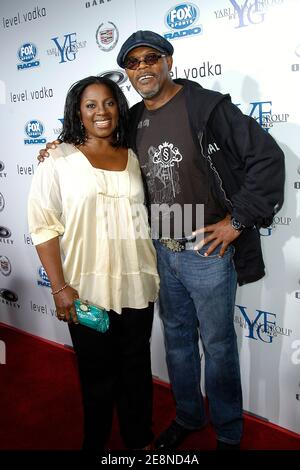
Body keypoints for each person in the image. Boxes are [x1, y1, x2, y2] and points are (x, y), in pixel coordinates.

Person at [38, 31, 285, 450]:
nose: (142, 68)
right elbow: (100, 145)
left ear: (169, 60)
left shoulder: (206, 107)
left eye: (150, 58)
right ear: (128, 74)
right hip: (159, 252)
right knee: (177, 344)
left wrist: (237, 221)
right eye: (132, 64)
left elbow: (267, 158)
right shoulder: (132, 118)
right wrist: (59, 146)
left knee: (219, 346)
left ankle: (227, 433)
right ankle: (188, 415)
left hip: (205, 250)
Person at [28, 75, 159, 451]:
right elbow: (43, 226)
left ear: (119, 107)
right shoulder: (57, 158)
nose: (101, 112)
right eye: (90, 105)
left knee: (136, 370)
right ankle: (96, 444)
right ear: (78, 112)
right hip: (86, 289)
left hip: (137, 283)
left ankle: (139, 441)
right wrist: (59, 287)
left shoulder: (133, 155)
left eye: (108, 103)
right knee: (97, 376)